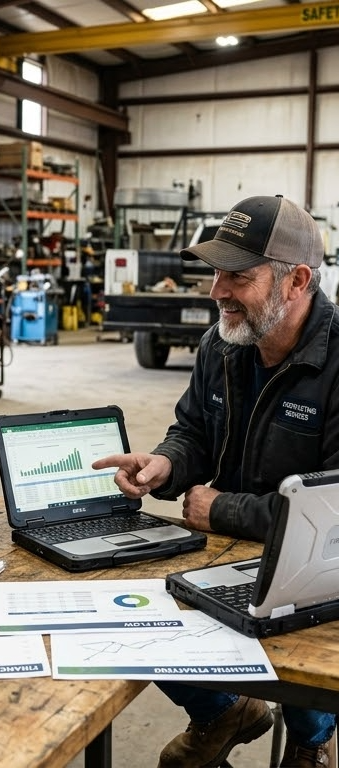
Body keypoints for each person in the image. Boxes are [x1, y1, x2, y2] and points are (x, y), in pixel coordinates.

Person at [93, 194, 338, 768]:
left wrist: (222, 509)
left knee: (303, 652)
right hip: (223, 552)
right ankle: (224, 711)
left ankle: (310, 741)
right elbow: (194, 431)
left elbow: (333, 518)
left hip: (313, 569)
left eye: (237, 276)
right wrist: (167, 465)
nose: (216, 290)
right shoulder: (221, 345)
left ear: (296, 280)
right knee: (127, 619)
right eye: (216, 273)